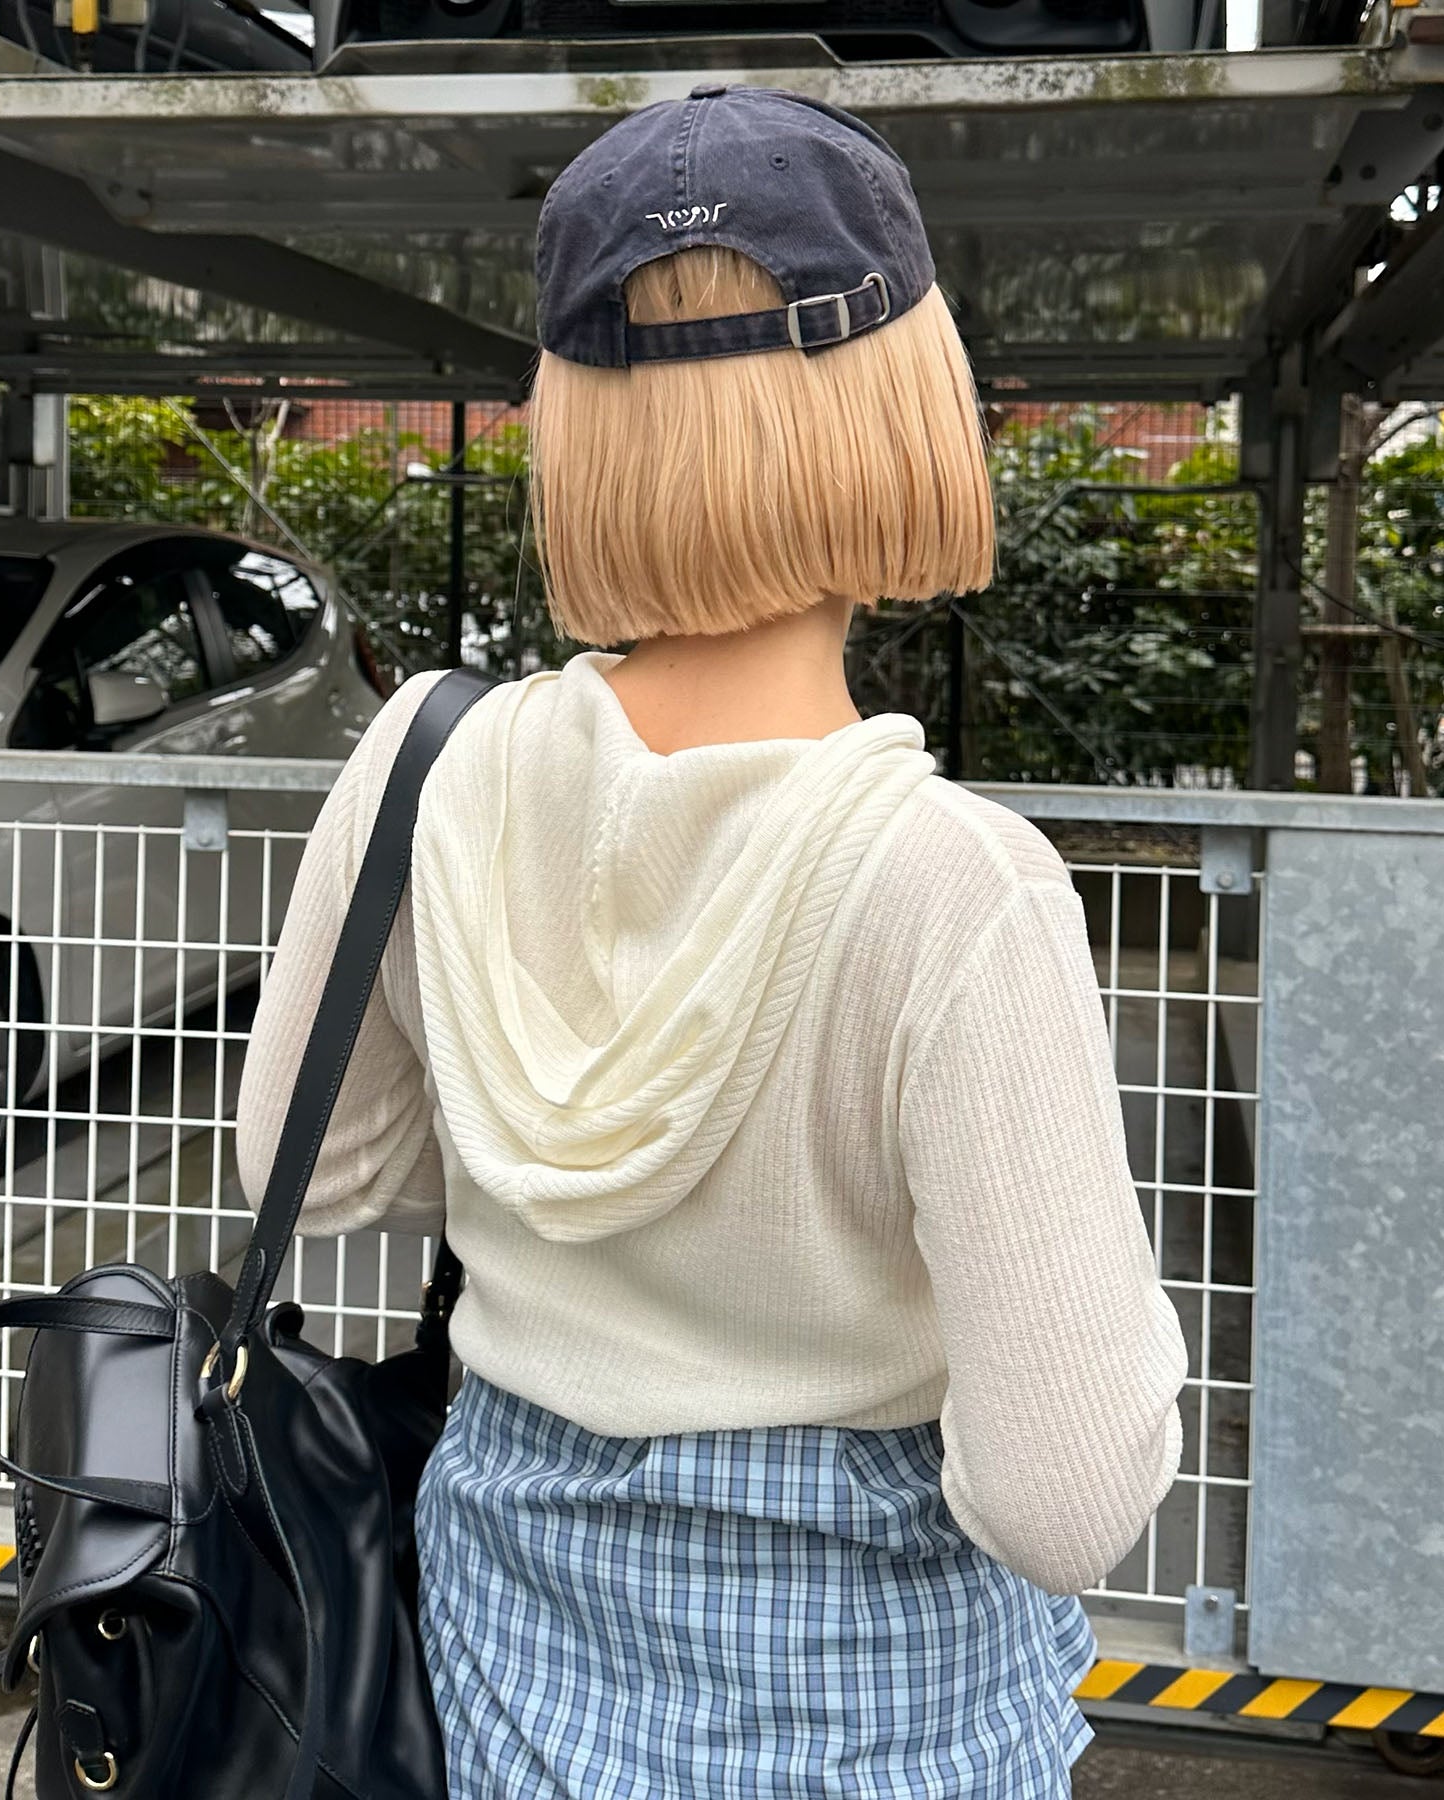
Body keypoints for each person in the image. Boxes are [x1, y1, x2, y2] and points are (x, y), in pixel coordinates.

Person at [235, 85, 1187, 1800]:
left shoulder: (426, 766)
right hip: (890, 1721)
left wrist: (575, 1210)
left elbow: (320, 1166)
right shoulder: (955, 888)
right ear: (901, 402)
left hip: (505, 1675)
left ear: (577, 421)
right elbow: (1064, 1499)